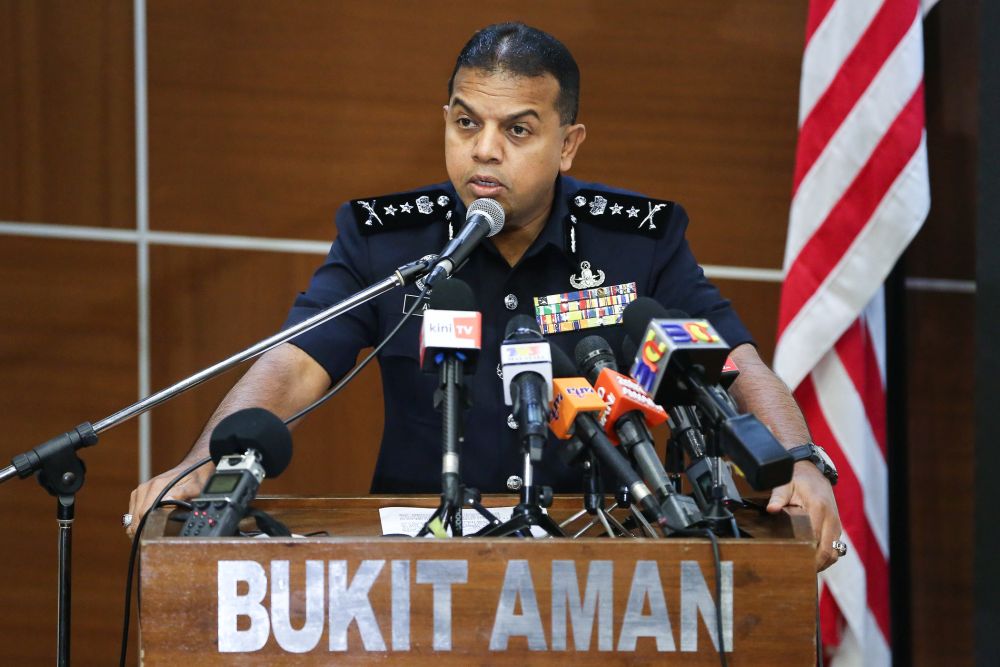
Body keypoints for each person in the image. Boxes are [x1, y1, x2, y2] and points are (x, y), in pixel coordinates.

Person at [127, 22, 842, 571]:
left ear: (568, 144)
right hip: (419, 563)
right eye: (466, 122)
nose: (484, 150)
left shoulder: (638, 243)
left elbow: (731, 362)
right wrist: (201, 464)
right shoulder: (387, 243)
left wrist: (799, 459)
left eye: (517, 130)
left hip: (596, 557)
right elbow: (293, 365)